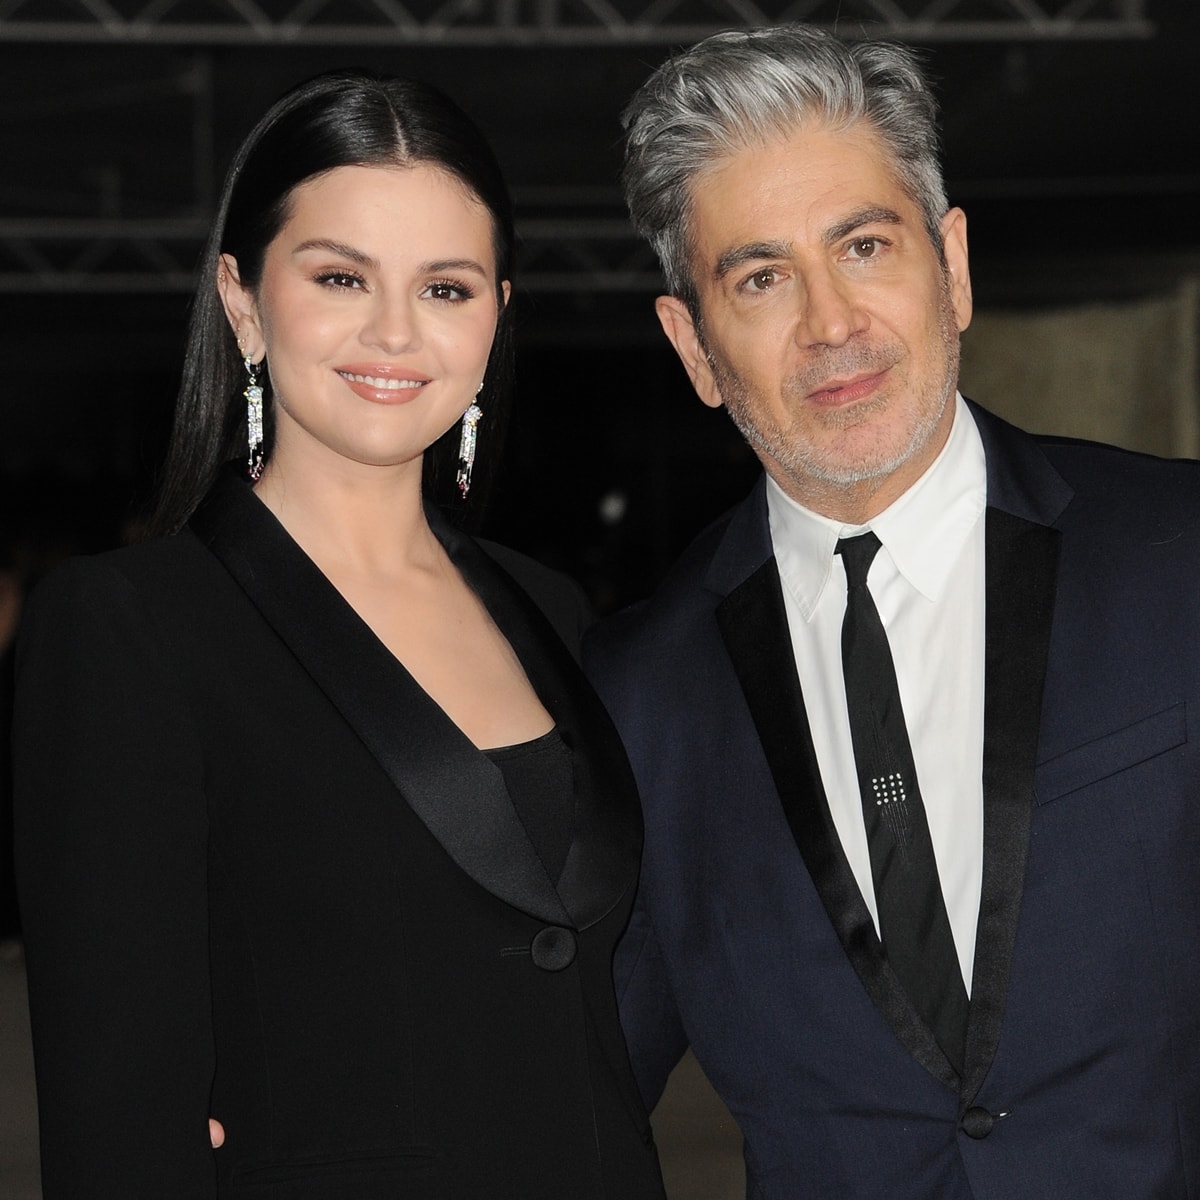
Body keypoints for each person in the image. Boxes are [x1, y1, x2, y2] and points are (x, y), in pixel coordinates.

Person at [14, 69, 665, 1200]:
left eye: (447, 289)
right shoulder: (131, 628)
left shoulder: (548, 608)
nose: (396, 333)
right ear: (244, 301)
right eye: (340, 277)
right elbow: (114, 1112)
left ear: (498, 316)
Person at [585, 23, 1200, 1199]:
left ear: (953, 266)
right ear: (695, 348)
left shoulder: (1179, 560)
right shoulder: (639, 695)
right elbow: (563, 1073)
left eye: (863, 246)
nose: (830, 323)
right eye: (760, 277)